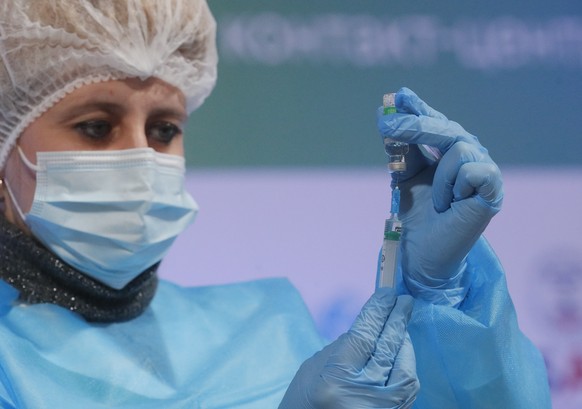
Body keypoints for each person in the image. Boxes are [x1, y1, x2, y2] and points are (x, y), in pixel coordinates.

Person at [0, 1, 550, 408]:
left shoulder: (263, 326)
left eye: (165, 129)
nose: (140, 157)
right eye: (95, 127)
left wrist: (439, 304)